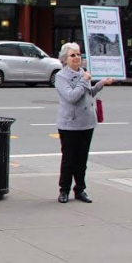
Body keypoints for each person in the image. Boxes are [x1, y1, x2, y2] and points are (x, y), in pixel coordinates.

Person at [55, 42, 114, 204]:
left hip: (87, 123)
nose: (76, 58)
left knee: (82, 160)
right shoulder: (61, 76)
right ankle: (64, 190)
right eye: (72, 55)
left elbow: (88, 93)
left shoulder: (83, 73)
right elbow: (72, 97)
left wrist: (101, 84)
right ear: (65, 59)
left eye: (78, 54)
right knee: (69, 159)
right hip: (70, 124)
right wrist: (83, 80)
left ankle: (80, 189)